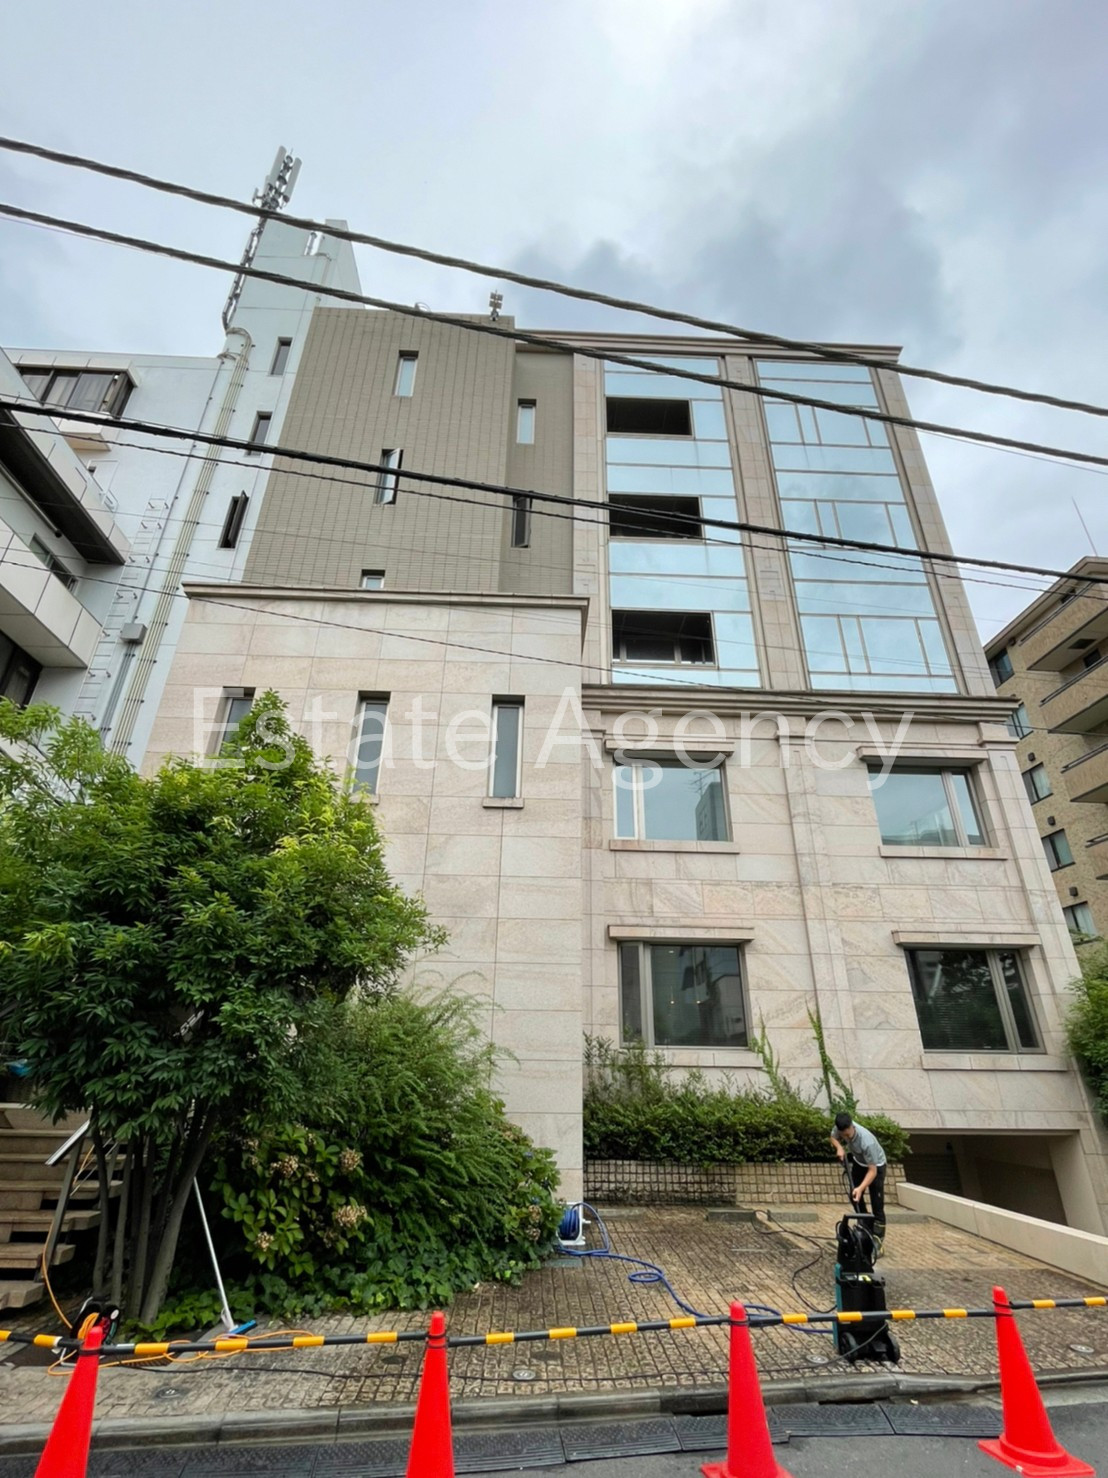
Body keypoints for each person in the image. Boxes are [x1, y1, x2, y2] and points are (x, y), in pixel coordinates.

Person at [829, 1111, 887, 1251]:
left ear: (852, 1126)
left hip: (876, 1167)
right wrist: (839, 1147)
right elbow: (832, 1137)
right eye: (843, 1135)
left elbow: (872, 1172)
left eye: (848, 1135)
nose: (845, 1137)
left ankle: (878, 1240)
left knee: (876, 1204)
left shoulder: (867, 1141)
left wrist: (861, 1188)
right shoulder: (840, 1127)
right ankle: (866, 1226)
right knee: (854, 1195)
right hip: (859, 1163)